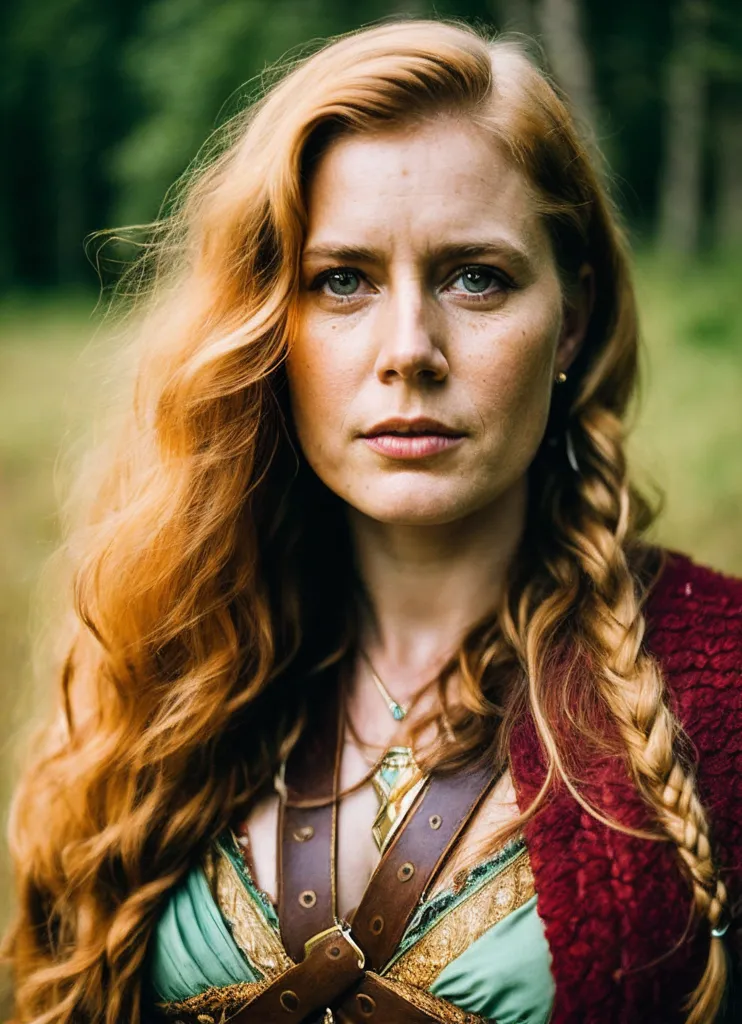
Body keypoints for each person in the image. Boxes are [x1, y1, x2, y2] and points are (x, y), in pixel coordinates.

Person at [3, 18, 741, 1024]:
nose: (409, 349)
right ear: (271, 322)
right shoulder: (168, 657)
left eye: (474, 275)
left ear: (569, 315)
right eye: (341, 279)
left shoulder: (724, 681)